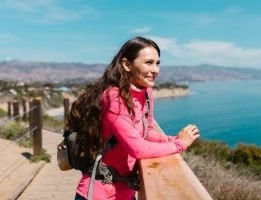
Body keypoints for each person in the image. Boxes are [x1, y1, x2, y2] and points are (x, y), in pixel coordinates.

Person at [65, 36, 200, 200]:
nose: (156, 70)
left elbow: (146, 132)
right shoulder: (114, 97)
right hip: (97, 193)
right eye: (149, 63)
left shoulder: (147, 93)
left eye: (158, 63)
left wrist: (171, 139)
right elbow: (138, 148)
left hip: (126, 191)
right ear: (127, 64)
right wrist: (180, 144)